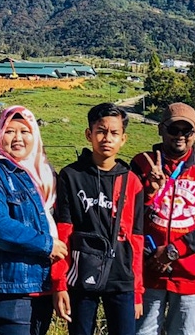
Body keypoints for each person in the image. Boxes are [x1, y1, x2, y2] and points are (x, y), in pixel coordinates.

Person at [0, 105, 68, 335]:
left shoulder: (46, 175)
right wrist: (45, 244)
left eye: (25, 131)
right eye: (9, 131)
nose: (17, 138)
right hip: (7, 291)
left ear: (35, 135)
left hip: (40, 288)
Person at [131, 102, 195, 335]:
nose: (179, 136)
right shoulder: (142, 163)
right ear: (160, 129)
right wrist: (149, 193)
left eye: (186, 131)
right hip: (148, 271)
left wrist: (173, 251)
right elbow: (127, 216)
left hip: (191, 274)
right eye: (173, 129)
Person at [53, 103, 145, 335]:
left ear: (123, 139)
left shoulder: (131, 181)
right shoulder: (71, 176)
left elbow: (136, 239)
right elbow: (63, 232)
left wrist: (137, 291)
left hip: (122, 277)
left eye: (114, 133)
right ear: (89, 134)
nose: (107, 138)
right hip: (82, 274)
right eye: (101, 131)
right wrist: (59, 283)